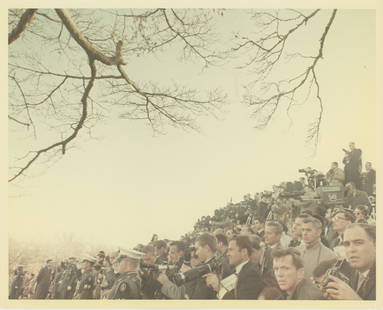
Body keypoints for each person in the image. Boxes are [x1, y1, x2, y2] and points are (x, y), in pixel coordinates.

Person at [325, 223, 376, 300]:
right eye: (346, 244)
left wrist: (355, 301)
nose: (351, 249)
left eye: (358, 243)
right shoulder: (347, 272)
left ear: (376, 244)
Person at [205, 235, 264, 299]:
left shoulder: (251, 274)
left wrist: (219, 288)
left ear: (244, 252)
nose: (227, 254)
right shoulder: (236, 270)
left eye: (231, 250)